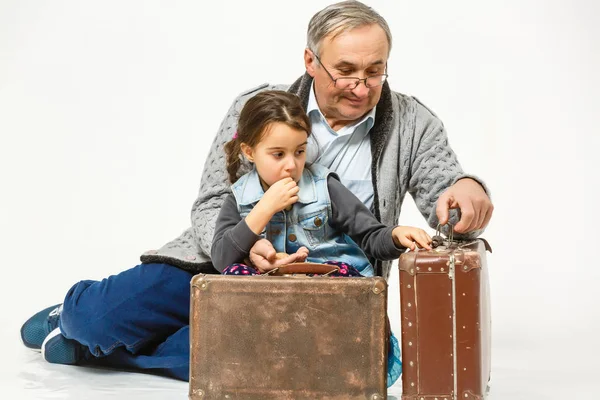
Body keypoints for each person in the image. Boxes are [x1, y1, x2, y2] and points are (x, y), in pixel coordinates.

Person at [20, 0, 493, 383]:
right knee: (97, 320)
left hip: (326, 296)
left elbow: (443, 189)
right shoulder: (255, 107)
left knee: (252, 366)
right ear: (310, 61)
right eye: (345, 70)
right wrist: (250, 244)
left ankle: (104, 354)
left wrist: (466, 188)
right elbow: (209, 204)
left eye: (375, 71)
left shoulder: (413, 123)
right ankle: (76, 319)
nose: (360, 87)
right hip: (217, 262)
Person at [213, 89, 432, 387]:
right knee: (233, 277)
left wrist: (395, 235)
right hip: (276, 307)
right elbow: (221, 258)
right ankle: (268, 369)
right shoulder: (239, 197)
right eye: (278, 154)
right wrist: (263, 209)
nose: (291, 165)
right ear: (250, 152)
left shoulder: (323, 187)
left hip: (329, 302)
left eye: (299, 151)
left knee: (348, 282)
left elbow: (370, 236)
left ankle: (336, 365)